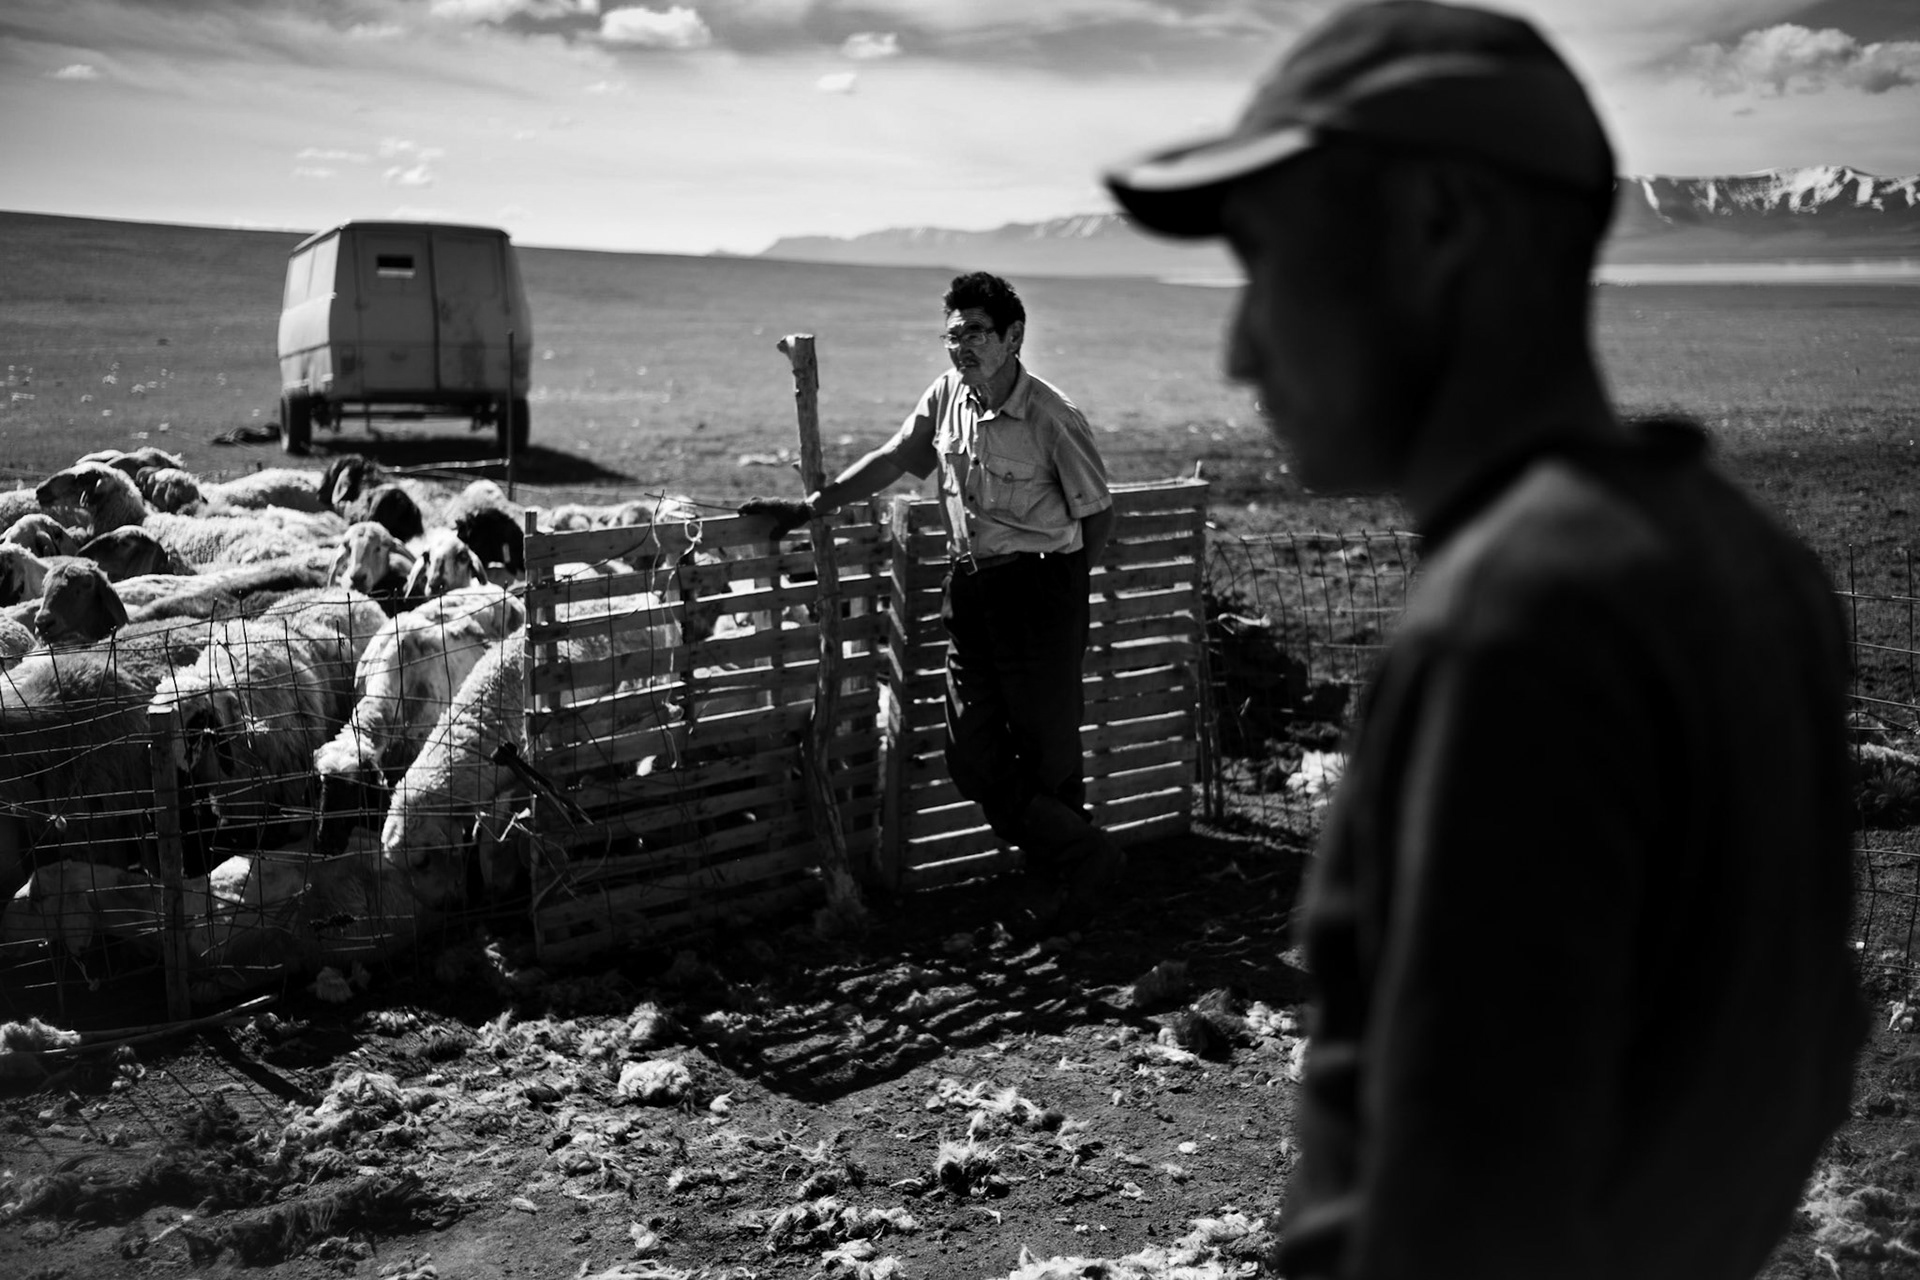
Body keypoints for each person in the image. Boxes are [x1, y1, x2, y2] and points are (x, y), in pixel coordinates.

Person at [1104, 3, 1866, 1277]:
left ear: (1438, 228)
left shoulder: (1511, 629)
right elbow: (1792, 1053)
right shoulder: (1747, 562)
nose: (1240, 348)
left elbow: (1452, 1213)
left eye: (1269, 261)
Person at [807, 271, 1125, 933]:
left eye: (976, 333)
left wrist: (1057, 594)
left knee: (1047, 754)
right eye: (953, 336)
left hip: (1041, 587)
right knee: (971, 754)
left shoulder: (1049, 416)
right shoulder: (947, 395)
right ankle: (1087, 853)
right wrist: (814, 504)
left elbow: (1097, 517)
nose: (962, 347)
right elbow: (897, 458)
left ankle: (1066, 893)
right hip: (972, 587)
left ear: (1013, 337)